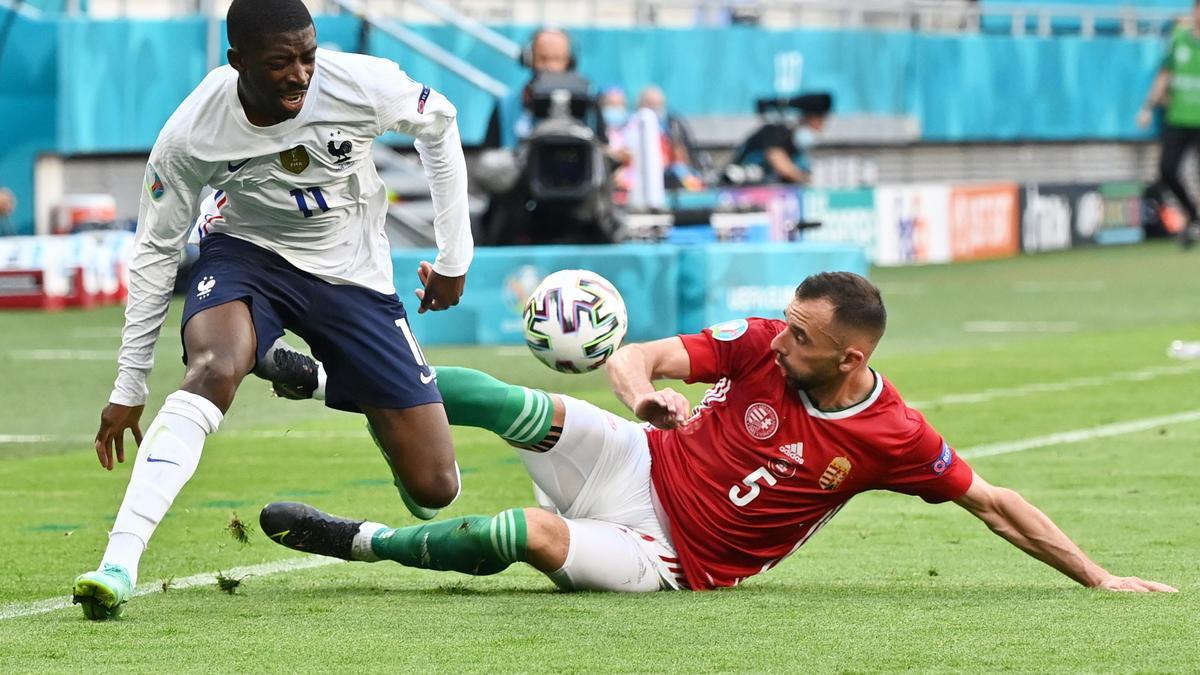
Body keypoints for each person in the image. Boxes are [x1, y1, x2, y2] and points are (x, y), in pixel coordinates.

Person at [258, 272, 1175, 594]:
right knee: (506, 400)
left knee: (521, 534)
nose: (781, 338)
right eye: (785, 322)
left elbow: (993, 502)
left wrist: (1095, 573)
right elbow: (642, 357)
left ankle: (362, 543)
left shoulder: (892, 434)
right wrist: (643, 393)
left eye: (802, 336)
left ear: (851, 359)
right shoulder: (759, 344)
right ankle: (327, 380)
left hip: (669, 554)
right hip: (642, 455)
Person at [71, 0, 474, 620]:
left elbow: (440, 125)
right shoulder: (190, 134)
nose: (300, 74)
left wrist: (453, 257)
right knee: (213, 366)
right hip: (248, 255)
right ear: (238, 63)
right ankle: (118, 563)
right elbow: (155, 250)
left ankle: (318, 381)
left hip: (353, 272)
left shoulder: (362, 83)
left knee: (434, 489)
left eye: (308, 55)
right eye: (280, 62)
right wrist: (129, 385)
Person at [1138, 2, 1200, 248]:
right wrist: (1147, 107)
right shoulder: (1178, 38)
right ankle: (1193, 215)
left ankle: (1193, 225)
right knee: (1167, 170)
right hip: (1178, 117)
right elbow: (1164, 74)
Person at [725, 92, 832, 186]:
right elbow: (780, 162)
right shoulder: (773, 130)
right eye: (819, 122)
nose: (821, 129)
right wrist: (806, 181)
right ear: (806, 118)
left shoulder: (794, 145)